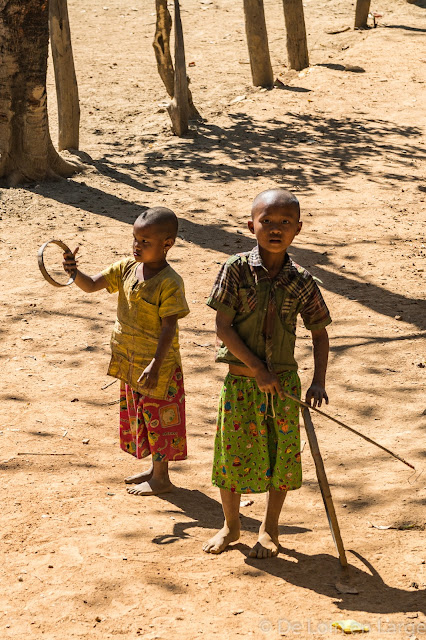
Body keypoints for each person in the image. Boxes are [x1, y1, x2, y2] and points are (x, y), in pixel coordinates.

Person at [203, 189, 331, 558]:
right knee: (230, 457)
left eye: (285, 223)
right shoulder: (235, 269)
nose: (276, 229)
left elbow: (319, 332)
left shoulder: (303, 279)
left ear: (298, 230)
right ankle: (230, 525)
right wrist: (258, 369)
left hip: (283, 388)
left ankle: (270, 527)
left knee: (283, 458)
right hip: (242, 383)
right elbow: (222, 326)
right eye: (267, 221)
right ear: (251, 226)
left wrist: (318, 380)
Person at [63, 207, 190, 496]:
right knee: (143, 417)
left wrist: (156, 365)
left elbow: (169, 327)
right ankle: (154, 471)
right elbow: (91, 285)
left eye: (145, 242)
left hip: (159, 366)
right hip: (130, 360)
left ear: (167, 244)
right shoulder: (125, 269)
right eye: (135, 238)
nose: (136, 246)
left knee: (161, 420)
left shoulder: (170, 282)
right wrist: (73, 272)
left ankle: (162, 479)